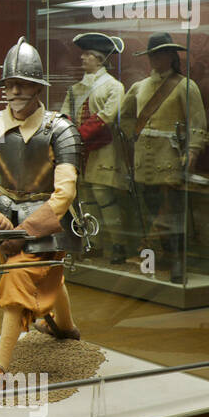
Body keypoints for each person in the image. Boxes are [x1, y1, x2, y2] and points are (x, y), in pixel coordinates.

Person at [0, 38, 83, 380]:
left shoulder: (60, 129)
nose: (15, 90)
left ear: (38, 86)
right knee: (46, 274)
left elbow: (64, 192)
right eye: (9, 84)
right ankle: (66, 327)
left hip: (46, 218)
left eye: (23, 83)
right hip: (1, 213)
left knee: (20, 277)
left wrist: (26, 230)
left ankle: (0, 363)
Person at [119, 33, 208, 284]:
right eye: (153, 54)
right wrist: (133, 135)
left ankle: (178, 258)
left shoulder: (185, 86)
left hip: (170, 159)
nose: (156, 58)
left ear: (171, 55)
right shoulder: (138, 87)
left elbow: (198, 122)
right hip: (142, 161)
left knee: (173, 213)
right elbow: (123, 118)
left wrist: (192, 150)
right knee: (148, 211)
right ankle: (156, 257)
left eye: (161, 53)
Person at [61, 32, 131, 264]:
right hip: (81, 152)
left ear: (100, 59)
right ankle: (95, 243)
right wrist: (68, 138)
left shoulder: (114, 87)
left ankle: (118, 244)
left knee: (104, 196)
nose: (82, 58)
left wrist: (77, 137)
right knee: (87, 199)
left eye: (88, 55)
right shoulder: (75, 89)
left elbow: (105, 117)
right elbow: (66, 116)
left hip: (103, 149)